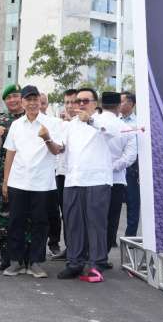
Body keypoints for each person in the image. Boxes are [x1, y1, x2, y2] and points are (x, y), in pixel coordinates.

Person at [44, 87, 114, 282]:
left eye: (85, 101)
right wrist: (47, 139)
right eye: (78, 101)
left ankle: (97, 263)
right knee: (73, 223)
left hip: (97, 180)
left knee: (96, 224)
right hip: (73, 180)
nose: (81, 104)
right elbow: (59, 148)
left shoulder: (104, 119)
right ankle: (74, 263)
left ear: (95, 103)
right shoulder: (70, 125)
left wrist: (90, 120)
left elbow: (113, 133)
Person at [1, 85, 61, 278]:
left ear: (40, 101)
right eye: (28, 99)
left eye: (35, 99)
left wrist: (47, 138)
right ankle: (17, 261)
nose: (33, 103)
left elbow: (57, 150)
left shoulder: (52, 123)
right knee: (15, 222)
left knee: (40, 223)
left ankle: (35, 262)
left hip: (43, 183)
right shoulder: (17, 125)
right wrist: (5, 181)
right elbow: (10, 153)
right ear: (23, 102)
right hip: (18, 181)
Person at [0, 84, 23, 269]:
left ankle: (23, 253)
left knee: (23, 215)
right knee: (1, 212)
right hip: (4, 173)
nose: (13, 100)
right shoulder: (0, 120)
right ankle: (1, 250)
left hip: (26, 174)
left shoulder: (31, 118)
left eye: (16, 96)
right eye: (9, 97)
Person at [102, 91, 136, 260]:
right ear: (117, 106)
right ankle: (103, 255)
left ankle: (91, 254)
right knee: (112, 218)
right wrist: (111, 167)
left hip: (93, 180)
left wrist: (101, 168)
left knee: (94, 218)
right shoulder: (126, 128)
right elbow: (130, 157)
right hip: (116, 179)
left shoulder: (93, 123)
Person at [49, 89, 78, 259]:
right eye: (67, 102)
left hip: (76, 175)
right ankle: (69, 248)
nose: (70, 106)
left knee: (76, 214)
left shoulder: (86, 124)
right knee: (64, 213)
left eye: (73, 102)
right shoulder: (60, 124)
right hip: (60, 173)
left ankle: (78, 250)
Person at [120, 93, 141, 238]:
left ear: (131, 103)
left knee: (132, 202)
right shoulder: (115, 121)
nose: (118, 103)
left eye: (121, 101)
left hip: (132, 166)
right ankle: (110, 238)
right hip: (115, 165)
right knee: (113, 203)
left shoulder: (139, 122)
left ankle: (130, 237)